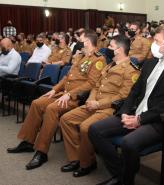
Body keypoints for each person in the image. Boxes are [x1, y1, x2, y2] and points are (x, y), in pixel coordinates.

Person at [88, 24, 164, 185]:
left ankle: (125, 181)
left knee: (128, 143)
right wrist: (124, 111)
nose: (153, 44)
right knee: (95, 130)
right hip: (134, 112)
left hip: (159, 120)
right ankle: (121, 173)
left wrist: (140, 120)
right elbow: (134, 91)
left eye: (157, 41)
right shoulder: (150, 63)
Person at [6, 30, 106, 171]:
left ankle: (41, 152)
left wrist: (70, 94)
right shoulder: (82, 57)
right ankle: (28, 142)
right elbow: (68, 77)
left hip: (77, 98)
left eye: (81, 41)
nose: (78, 43)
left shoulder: (98, 59)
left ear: (88, 42)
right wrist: (55, 89)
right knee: (37, 103)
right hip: (64, 93)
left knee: (51, 109)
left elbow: (91, 83)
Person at [60, 35, 140, 177]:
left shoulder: (131, 70)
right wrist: (90, 100)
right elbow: (96, 86)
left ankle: (87, 163)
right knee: (66, 119)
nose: (107, 49)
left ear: (119, 50)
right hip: (93, 103)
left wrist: (98, 104)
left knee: (85, 127)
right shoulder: (110, 65)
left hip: (109, 108)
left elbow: (123, 96)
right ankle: (75, 158)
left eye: (111, 46)